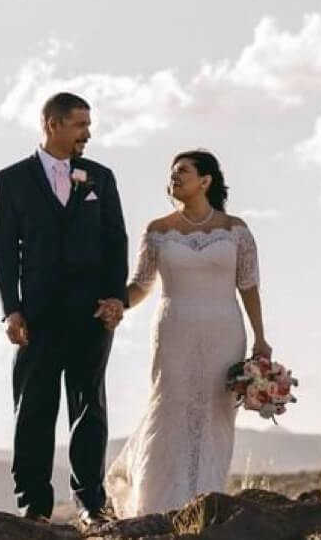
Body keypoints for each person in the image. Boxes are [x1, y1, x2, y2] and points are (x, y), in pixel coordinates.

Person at [105, 149, 272, 517]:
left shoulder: (236, 230)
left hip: (224, 332)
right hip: (174, 329)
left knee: (215, 411)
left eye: (183, 171)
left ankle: (205, 500)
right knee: (170, 405)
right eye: (172, 172)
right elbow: (139, 285)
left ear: (206, 181)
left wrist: (260, 338)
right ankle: (158, 505)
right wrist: (119, 304)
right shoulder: (158, 230)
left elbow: (248, 285)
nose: (174, 177)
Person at [0, 92, 128, 530]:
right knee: (34, 407)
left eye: (88, 125)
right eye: (80, 124)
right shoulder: (12, 180)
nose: (88, 133)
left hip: (90, 314)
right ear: (53, 124)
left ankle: (91, 500)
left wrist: (115, 299)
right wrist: (11, 310)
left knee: (90, 408)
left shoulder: (101, 179)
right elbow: (3, 251)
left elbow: (115, 242)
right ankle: (33, 503)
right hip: (38, 315)